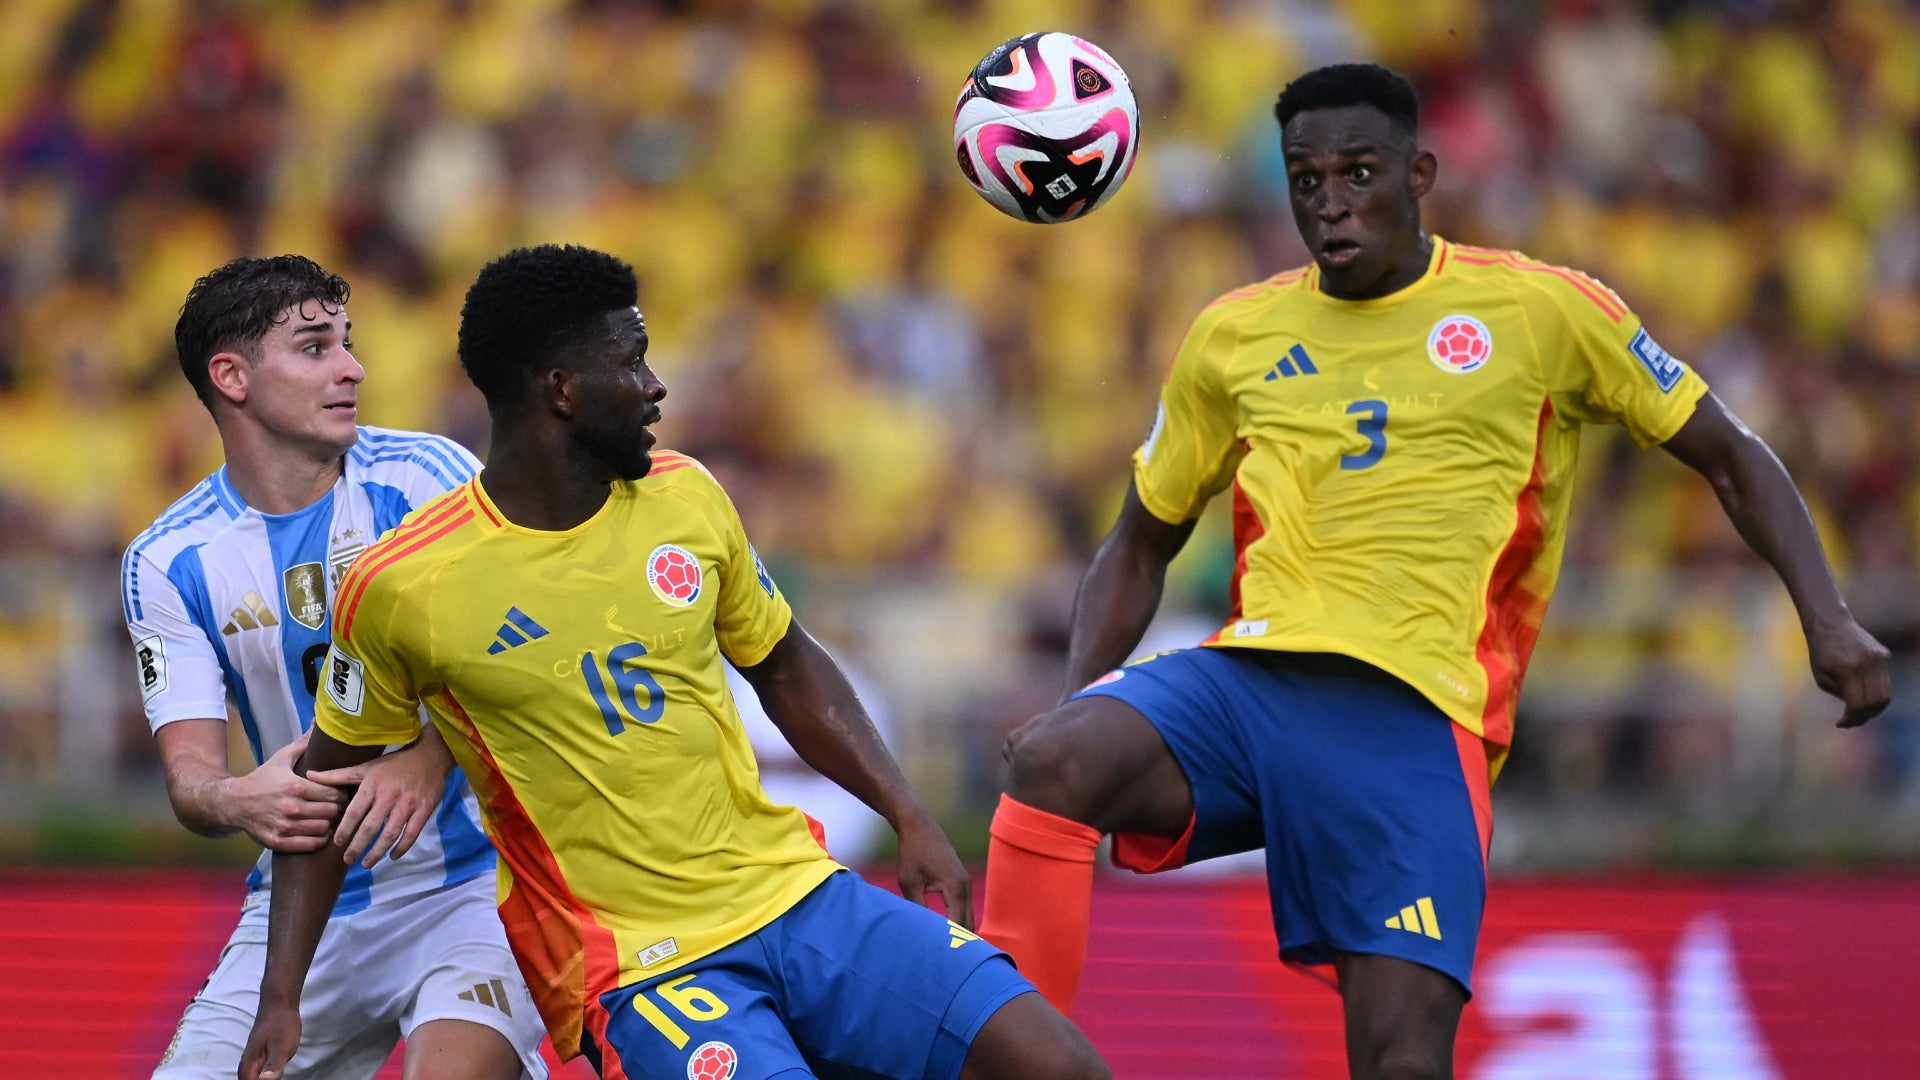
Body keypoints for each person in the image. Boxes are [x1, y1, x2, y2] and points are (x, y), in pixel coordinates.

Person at [976, 63, 1892, 1080]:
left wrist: (1828, 616)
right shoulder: (1232, 335)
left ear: (1420, 175)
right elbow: (1140, 542)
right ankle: (1015, 1063)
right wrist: (1075, 696)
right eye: (1306, 180)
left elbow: (1728, 452)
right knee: (1054, 762)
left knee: (1401, 1061)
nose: (1330, 204)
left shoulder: (1542, 311)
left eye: (1358, 174)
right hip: (1254, 686)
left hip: (1418, 720)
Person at [238, 244, 1110, 1080]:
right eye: (635, 361)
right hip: (642, 966)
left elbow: (785, 665)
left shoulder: (686, 494)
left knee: (1058, 1065)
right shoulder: (403, 585)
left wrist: (909, 814)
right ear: (564, 391)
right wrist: (284, 993)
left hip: (794, 894)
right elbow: (325, 788)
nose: (656, 387)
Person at [121, 254, 549, 1079]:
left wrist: (432, 756)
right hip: (304, 911)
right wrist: (235, 797)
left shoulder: (428, 479)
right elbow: (192, 782)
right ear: (231, 377)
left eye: (347, 343)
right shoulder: (169, 559)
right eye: (316, 347)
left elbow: (534, 651)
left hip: (475, 885)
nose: (353, 367)